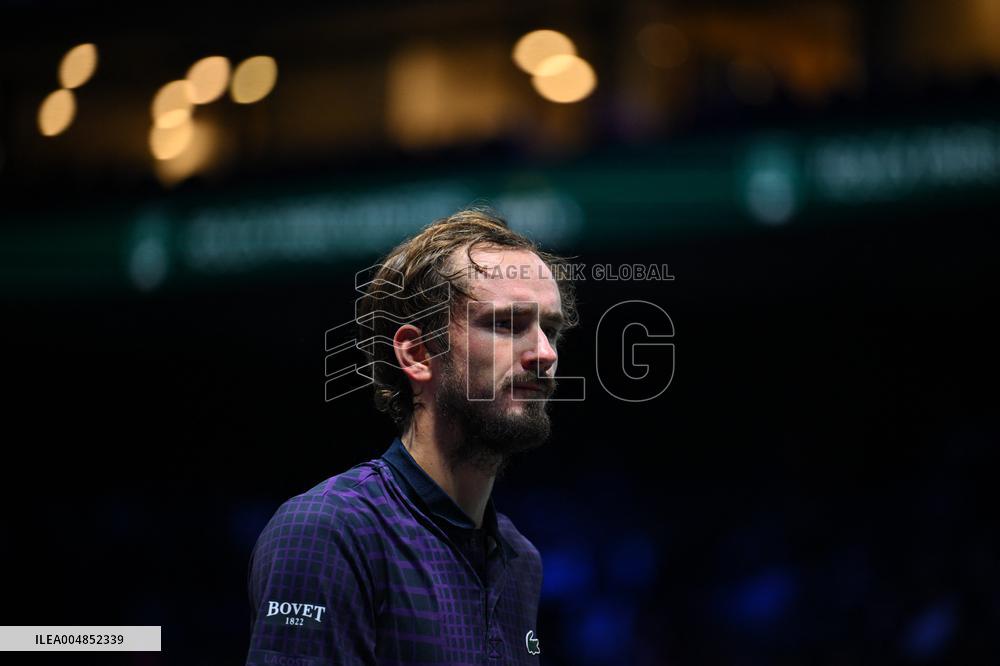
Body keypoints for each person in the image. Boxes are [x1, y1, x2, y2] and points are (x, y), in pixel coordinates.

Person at [245, 207, 578, 665]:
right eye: (507, 325)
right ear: (418, 354)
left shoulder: (521, 560)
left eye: (551, 330)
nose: (544, 353)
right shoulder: (330, 531)